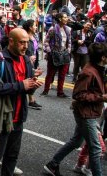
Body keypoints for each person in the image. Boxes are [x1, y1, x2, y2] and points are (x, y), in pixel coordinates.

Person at [0, 28, 43, 175]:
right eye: (22, 43)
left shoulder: (25, 59)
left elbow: (27, 88)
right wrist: (21, 85)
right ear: (11, 41)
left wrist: (32, 85)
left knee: (12, 155)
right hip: (3, 115)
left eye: (27, 43)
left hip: (19, 116)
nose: (25, 46)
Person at [44, 42, 107, 176]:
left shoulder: (98, 68)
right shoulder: (89, 72)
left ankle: (53, 164)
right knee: (95, 149)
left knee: (76, 141)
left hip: (87, 112)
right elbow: (78, 94)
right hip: (85, 114)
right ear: (102, 57)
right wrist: (101, 97)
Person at [42, 12, 72, 98]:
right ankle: (46, 90)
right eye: (65, 17)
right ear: (60, 19)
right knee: (50, 74)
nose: (67, 19)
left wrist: (68, 51)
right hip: (54, 55)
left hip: (64, 55)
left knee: (62, 75)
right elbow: (46, 42)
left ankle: (60, 92)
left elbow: (69, 42)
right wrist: (50, 52)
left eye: (67, 17)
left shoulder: (68, 29)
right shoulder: (53, 29)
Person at [22, 19, 43, 110]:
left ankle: (31, 100)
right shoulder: (25, 38)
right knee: (29, 79)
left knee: (33, 79)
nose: (36, 27)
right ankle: (29, 100)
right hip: (27, 62)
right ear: (30, 27)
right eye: (35, 25)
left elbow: (36, 51)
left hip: (33, 62)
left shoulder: (35, 37)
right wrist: (27, 58)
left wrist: (36, 62)